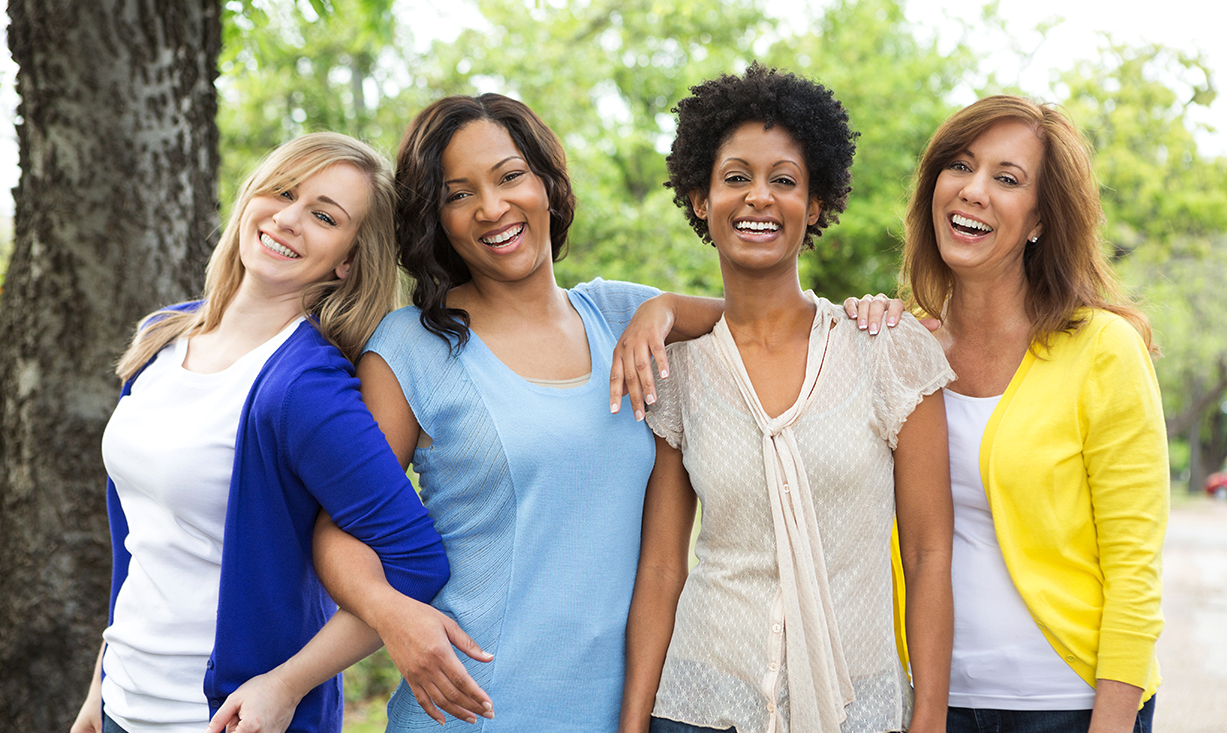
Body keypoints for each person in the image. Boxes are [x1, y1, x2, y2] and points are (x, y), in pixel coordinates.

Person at [310, 93, 726, 731]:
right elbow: (340, 529)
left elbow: (773, 324)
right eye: (459, 194)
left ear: (547, 186)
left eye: (510, 177)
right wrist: (394, 617)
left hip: (629, 710)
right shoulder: (408, 349)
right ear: (437, 219)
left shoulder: (623, 315)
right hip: (469, 707)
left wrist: (664, 308)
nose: (492, 207)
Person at [69, 133, 450, 733]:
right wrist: (100, 684)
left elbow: (416, 562)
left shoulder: (306, 389)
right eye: (284, 192)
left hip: (221, 718)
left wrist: (288, 684)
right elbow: (146, 543)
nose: (289, 219)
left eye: (325, 216)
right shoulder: (162, 337)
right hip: (123, 702)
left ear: (348, 260)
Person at [618, 64, 955, 733]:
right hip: (700, 705)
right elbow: (660, 566)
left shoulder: (887, 351)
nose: (758, 198)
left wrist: (929, 718)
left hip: (857, 709)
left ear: (818, 202)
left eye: (784, 180)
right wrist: (633, 723)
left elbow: (928, 554)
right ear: (698, 197)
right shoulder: (679, 366)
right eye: (735, 176)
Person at [853, 95, 1168, 732]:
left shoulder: (1104, 351)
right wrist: (666, 312)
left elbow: (1135, 572)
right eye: (960, 166)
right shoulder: (900, 349)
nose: (973, 191)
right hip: (928, 704)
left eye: (1007, 178)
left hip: (1069, 706)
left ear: (1040, 221)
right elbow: (772, 328)